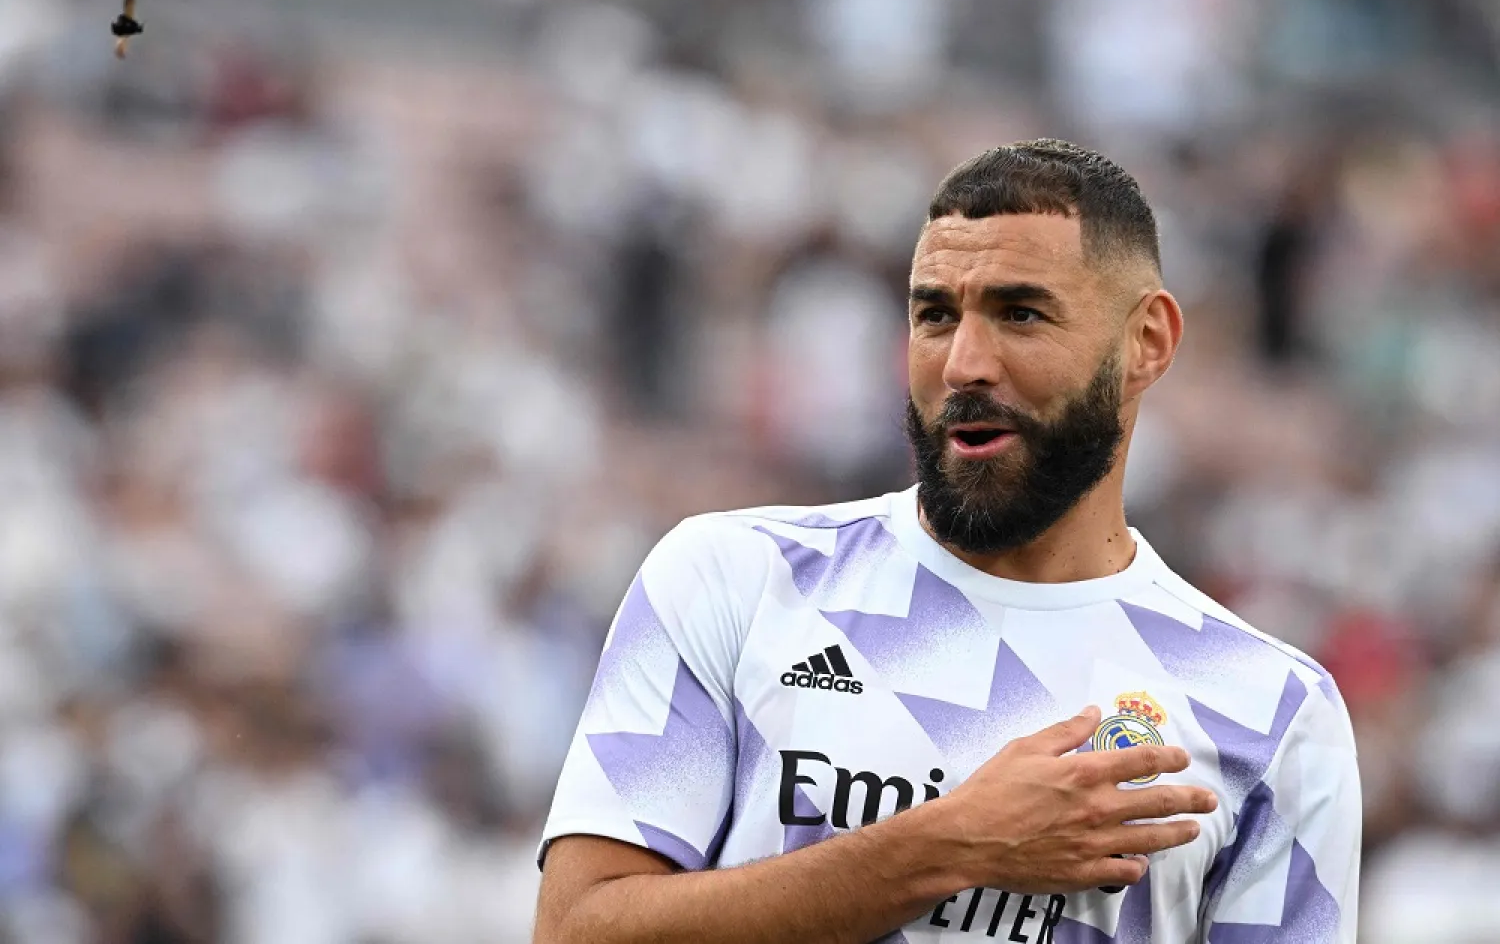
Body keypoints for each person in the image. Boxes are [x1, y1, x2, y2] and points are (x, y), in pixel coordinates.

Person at [532, 140, 1361, 943]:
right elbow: (575, 930)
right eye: (935, 315)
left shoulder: (1271, 711)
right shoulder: (736, 581)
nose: (964, 363)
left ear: (1146, 342)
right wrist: (952, 843)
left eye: (1020, 313)